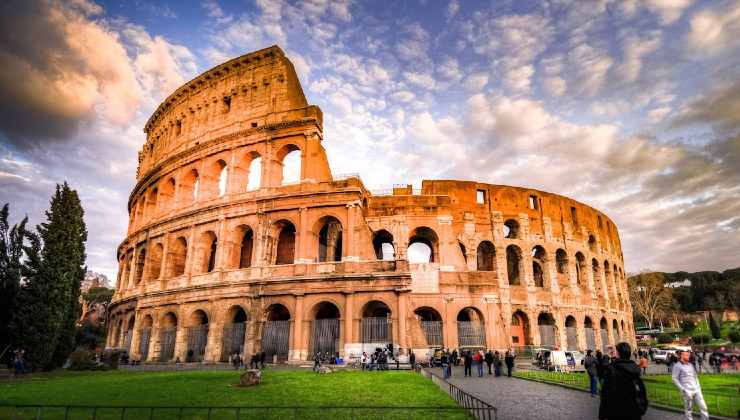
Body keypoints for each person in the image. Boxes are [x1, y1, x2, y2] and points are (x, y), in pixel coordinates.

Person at [599, 342, 648, 420]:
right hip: (634, 413)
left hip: (616, 413)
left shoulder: (611, 369)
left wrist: (602, 416)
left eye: (614, 351)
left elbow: (606, 395)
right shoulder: (635, 369)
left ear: (618, 354)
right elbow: (642, 392)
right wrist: (641, 410)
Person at [672, 349, 709, 420]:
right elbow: (674, 379)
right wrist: (683, 389)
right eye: (687, 355)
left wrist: (699, 387)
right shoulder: (677, 366)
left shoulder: (691, 365)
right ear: (682, 356)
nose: (689, 356)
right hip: (687, 391)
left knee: (704, 407)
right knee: (689, 410)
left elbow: (695, 377)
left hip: (696, 390)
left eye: (689, 354)